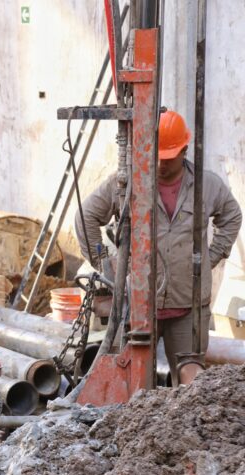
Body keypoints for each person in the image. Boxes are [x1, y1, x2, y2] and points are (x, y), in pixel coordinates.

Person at [75, 110, 242, 385]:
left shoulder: (207, 184)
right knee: (132, 382)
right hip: (139, 304)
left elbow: (232, 216)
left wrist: (210, 259)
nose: (161, 164)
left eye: (168, 157)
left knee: (191, 378)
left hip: (188, 306)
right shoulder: (129, 182)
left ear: (184, 150)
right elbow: (87, 216)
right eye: (157, 155)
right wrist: (107, 265)